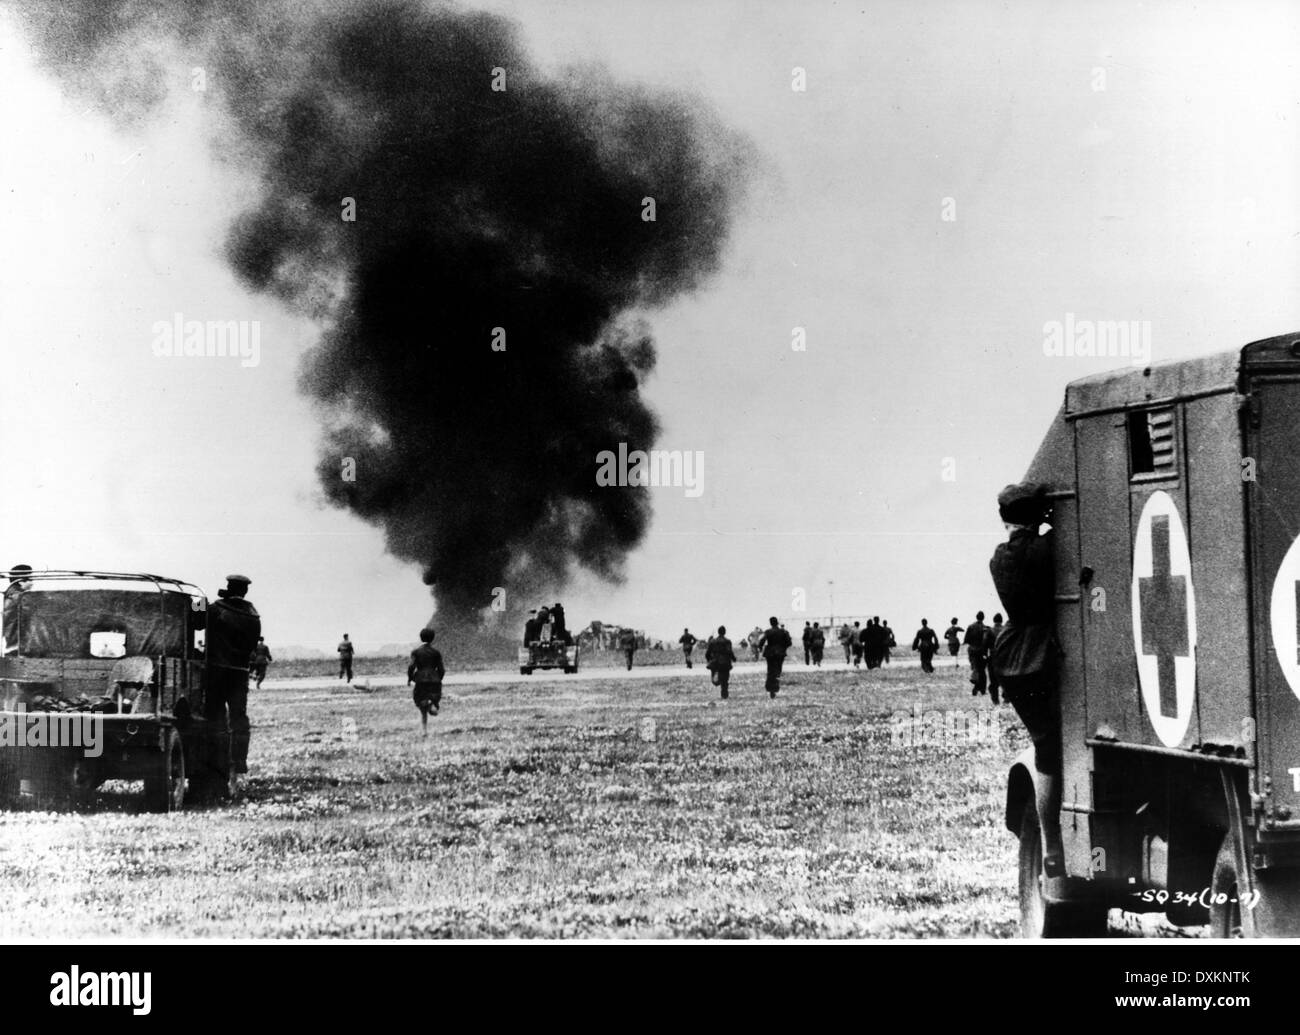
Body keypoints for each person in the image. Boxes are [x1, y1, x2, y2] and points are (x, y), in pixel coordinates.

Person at [990, 481, 1064, 878]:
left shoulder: (999, 558)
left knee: (1044, 745)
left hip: (1011, 656)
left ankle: (1050, 843)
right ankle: (1053, 840)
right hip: (1040, 655)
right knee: (1053, 749)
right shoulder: (1046, 550)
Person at [203, 574, 261, 776]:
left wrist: (201, 604)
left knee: (215, 716)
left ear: (229, 587)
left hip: (217, 670)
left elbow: (195, 619)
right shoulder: (254, 617)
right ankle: (239, 760)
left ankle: (216, 763)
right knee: (238, 717)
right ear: (245, 591)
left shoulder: (216, 610)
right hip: (240, 673)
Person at [408, 628, 446, 735]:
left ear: (421, 638)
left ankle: (424, 730)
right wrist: (439, 678)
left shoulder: (416, 652)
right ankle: (431, 705)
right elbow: (441, 669)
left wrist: (410, 678)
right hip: (434, 679)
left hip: (420, 679)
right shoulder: (436, 653)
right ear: (433, 638)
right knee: (432, 699)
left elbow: (411, 666)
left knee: (421, 703)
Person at [756, 616, 792, 698]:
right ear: (777, 623)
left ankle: (771, 688)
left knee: (770, 670)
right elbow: (789, 642)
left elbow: (762, 641)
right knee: (778, 670)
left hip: (770, 653)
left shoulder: (768, 632)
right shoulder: (783, 632)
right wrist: (783, 647)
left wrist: (760, 647)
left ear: (770, 623)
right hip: (780, 653)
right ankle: (774, 687)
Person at [705, 624, 737, 699]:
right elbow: (729, 651)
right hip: (725, 663)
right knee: (725, 681)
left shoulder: (712, 642)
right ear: (724, 632)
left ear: (718, 632)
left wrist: (709, 660)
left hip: (715, 663)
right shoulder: (727, 641)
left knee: (715, 680)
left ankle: (717, 680)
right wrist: (733, 658)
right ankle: (724, 694)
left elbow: (707, 653)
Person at [964, 611, 989, 696]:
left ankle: (977, 686)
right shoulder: (985, 628)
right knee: (982, 671)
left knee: (975, 668)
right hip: (981, 651)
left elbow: (966, 640)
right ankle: (981, 689)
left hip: (972, 650)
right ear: (983, 618)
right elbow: (986, 641)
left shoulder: (970, 627)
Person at [986, 613, 1004, 704]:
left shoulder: (990, 631)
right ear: (1001, 620)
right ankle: (1007, 698)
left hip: (993, 656)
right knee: (1005, 677)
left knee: (993, 679)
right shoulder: (1005, 629)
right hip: (1005, 657)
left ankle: (995, 699)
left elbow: (985, 643)